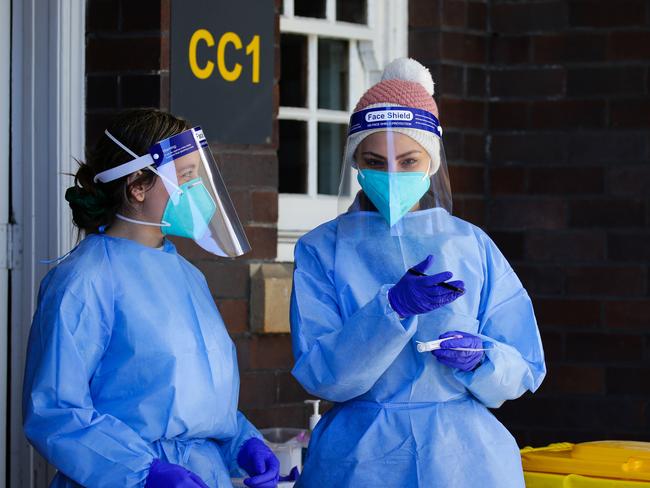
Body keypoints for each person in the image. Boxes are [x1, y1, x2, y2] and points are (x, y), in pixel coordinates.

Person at [290, 58, 546, 487]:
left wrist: (484, 358)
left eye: (408, 161)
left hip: (464, 462)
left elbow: (523, 364)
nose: (391, 175)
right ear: (355, 162)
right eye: (374, 161)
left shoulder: (472, 246)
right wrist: (389, 310)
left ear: (431, 161)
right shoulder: (321, 250)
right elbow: (322, 375)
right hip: (360, 463)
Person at [23, 109, 281, 488]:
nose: (200, 193)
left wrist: (243, 443)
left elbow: (195, 400)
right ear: (137, 186)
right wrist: (142, 472)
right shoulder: (83, 281)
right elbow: (55, 411)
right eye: (188, 177)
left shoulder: (187, 276)